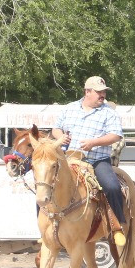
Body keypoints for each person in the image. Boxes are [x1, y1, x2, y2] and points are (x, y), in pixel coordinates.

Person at [50, 76, 127, 244]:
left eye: (104, 92)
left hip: (97, 160)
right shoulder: (69, 108)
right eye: (99, 92)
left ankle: (118, 225)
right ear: (87, 92)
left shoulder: (109, 112)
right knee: (46, 185)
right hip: (69, 159)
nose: (102, 95)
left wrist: (94, 143)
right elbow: (56, 128)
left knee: (112, 186)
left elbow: (115, 135)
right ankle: (46, 228)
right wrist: (60, 136)